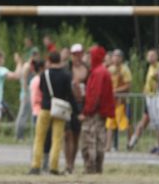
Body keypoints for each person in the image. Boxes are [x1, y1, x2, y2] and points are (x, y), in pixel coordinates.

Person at [30, 50, 74, 175]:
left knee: (39, 138)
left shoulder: (45, 74)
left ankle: (36, 166)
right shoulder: (66, 75)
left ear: (49, 60)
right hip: (59, 110)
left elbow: (41, 88)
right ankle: (53, 167)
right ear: (60, 60)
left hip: (45, 108)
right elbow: (69, 93)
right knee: (57, 139)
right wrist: (76, 110)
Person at [80, 45, 115, 174]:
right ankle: (97, 168)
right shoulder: (101, 71)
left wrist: (87, 111)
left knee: (89, 140)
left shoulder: (98, 73)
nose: (87, 58)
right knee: (99, 140)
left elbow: (95, 95)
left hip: (94, 113)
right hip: (100, 112)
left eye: (89, 56)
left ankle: (90, 167)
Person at [128, 49, 159, 151]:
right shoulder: (150, 67)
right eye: (149, 56)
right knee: (144, 121)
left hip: (156, 98)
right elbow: (148, 82)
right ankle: (132, 141)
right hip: (149, 98)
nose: (150, 57)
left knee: (157, 122)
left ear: (156, 56)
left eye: (153, 55)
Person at [65, 44, 89, 174]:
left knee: (76, 135)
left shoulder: (86, 69)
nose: (77, 57)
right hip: (69, 104)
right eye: (75, 54)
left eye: (79, 54)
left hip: (80, 103)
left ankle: (72, 163)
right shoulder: (68, 68)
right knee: (67, 135)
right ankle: (68, 163)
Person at [104, 49, 132, 152]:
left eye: (117, 56)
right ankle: (108, 146)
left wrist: (115, 91)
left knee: (124, 124)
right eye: (114, 56)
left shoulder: (125, 69)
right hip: (112, 102)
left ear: (121, 58)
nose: (115, 58)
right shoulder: (110, 69)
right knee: (110, 124)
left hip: (121, 102)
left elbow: (128, 85)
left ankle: (130, 143)